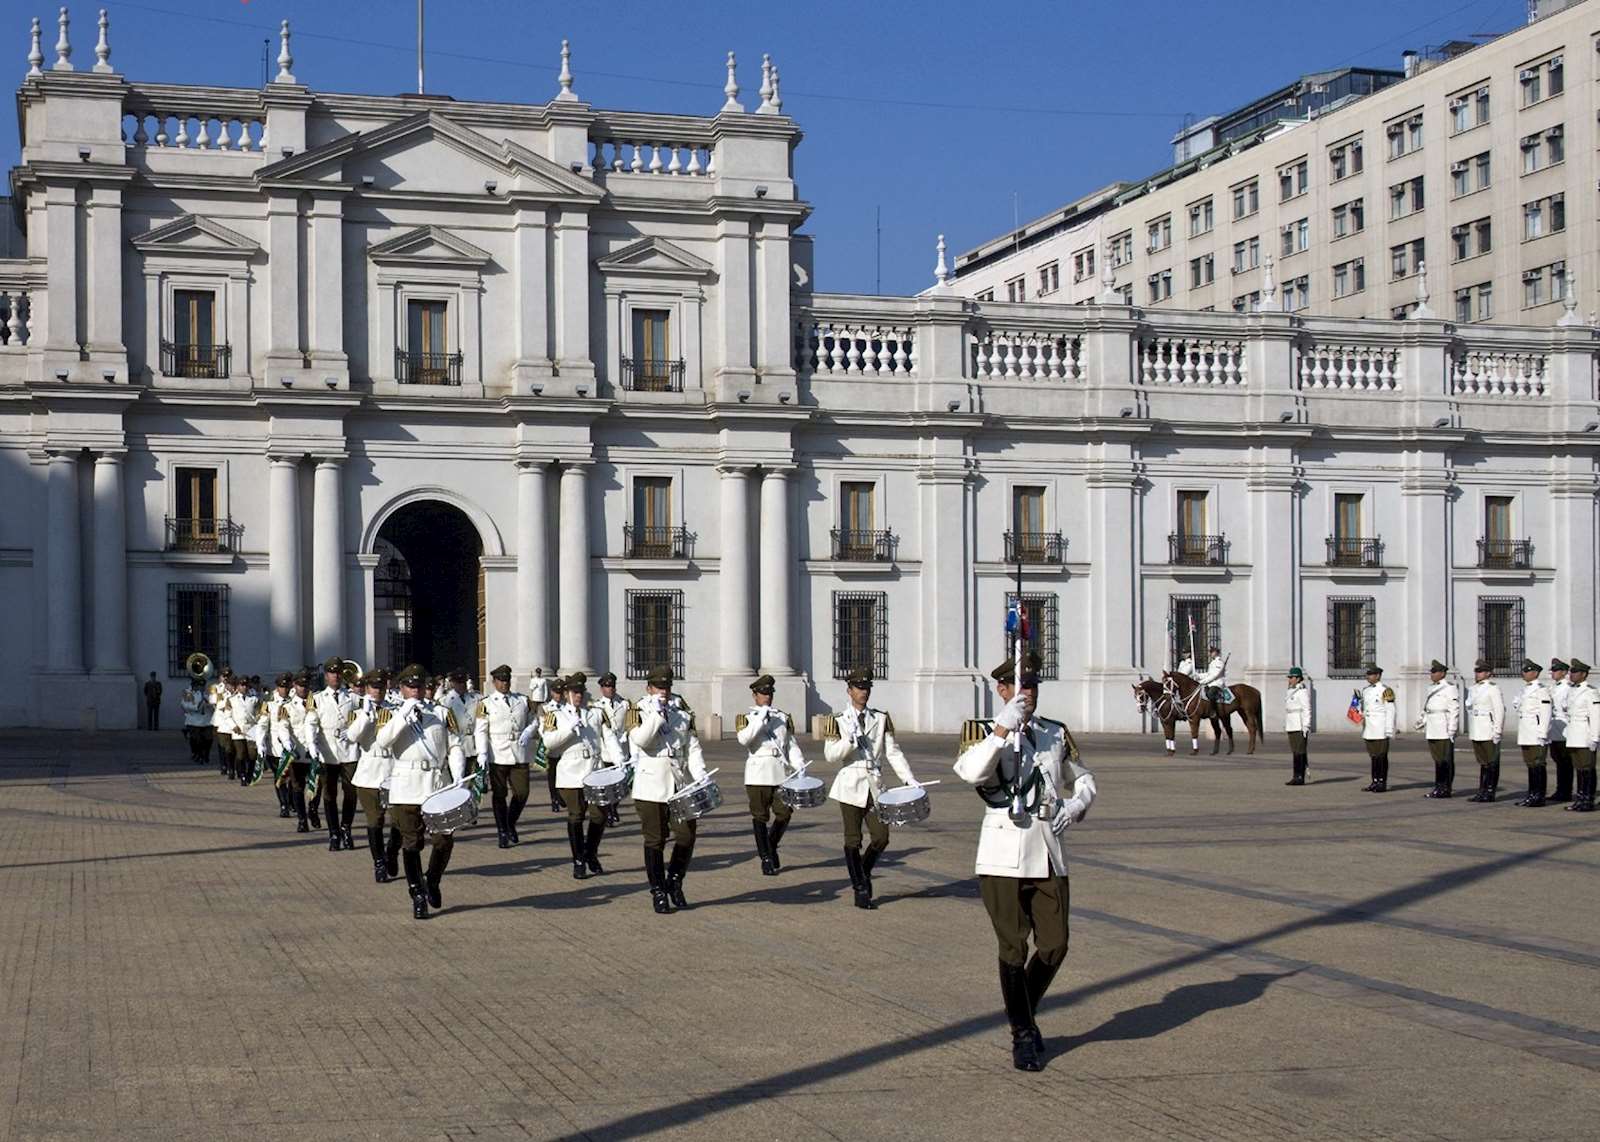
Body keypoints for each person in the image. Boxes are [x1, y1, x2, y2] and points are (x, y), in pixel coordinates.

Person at [954, 652, 1096, 1072]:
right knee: (1013, 947)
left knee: (1055, 944)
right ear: (1002, 690)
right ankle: (1023, 1034)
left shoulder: (1055, 732)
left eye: (1032, 685)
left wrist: (1078, 804)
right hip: (1002, 853)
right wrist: (1001, 728)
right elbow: (973, 773)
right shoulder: (980, 731)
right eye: (1018, 686)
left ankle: (1023, 1013)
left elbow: (1084, 778)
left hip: (1049, 846)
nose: (1027, 692)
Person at [823, 668, 921, 910]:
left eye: (866, 688)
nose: (863, 692)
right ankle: (860, 889)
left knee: (881, 837)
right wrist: (850, 740)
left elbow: (893, 752)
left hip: (875, 785)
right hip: (850, 783)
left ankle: (863, 872)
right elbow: (830, 755)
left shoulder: (881, 718)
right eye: (858, 688)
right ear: (849, 691)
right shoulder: (837, 720)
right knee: (853, 839)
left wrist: (909, 779)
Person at [374, 665, 466, 919]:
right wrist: (403, 715)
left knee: (444, 839)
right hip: (406, 785)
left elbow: (455, 745)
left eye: (420, 686)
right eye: (410, 687)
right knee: (412, 843)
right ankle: (416, 893)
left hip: (437, 783)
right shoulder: (390, 713)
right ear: (401, 688)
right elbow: (382, 741)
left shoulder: (441, 712)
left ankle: (433, 880)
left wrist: (457, 772)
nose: (416, 691)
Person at [627, 666, 708, 914]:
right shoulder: (637, 710)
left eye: (667, 687)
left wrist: (700, 774)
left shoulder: (682, 714)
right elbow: (641, 740)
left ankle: (674, 880)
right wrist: (657, 715)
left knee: (686, 835)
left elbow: (691, 747)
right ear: (649, 688)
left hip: (678, 783)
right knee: (655, 839)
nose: (663, 692)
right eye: (659, 687)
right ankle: (658, 891)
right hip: (650, 784)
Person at [541, 672, 625, 879]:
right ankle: (578, 860)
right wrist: (569, 730)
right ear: (567, 693)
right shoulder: (556, 715)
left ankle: (590, 852)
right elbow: (548, 743)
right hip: (570, 772)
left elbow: (609, 737)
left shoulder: (595, 713)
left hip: (594, 771)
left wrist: (619, 759)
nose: (578, 696)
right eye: (574, 692)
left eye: (581, 692)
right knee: (576, 816)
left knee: (600, 815)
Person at [737, 674, 807, 875]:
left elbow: (790, 744)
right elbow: (745, 740)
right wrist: (760, 718)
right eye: (762, 693)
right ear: (754, 695)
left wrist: (799, 765)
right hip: (758, 773)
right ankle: (766, 858)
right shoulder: (746, 718)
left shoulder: (782, 717)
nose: (767, 697)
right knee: (760, 816)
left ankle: (770, 844)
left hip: (780, 772)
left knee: (785, 813)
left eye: (769, 693)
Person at [475, 664, 536, 847]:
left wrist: (529, 730)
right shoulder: (485, 703)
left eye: (507, 680)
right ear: (494, 682)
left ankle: (510, 823)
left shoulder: (522, 700)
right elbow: (481, 730)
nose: (504, 684)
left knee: (522, 792)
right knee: (499, 793)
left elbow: (534, 719)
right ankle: (502, 830)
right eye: (501, 680)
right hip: (498, 752)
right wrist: (482, 753)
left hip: (518, 750)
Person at [347, 672, 400, 882]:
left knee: (398, 820)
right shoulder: (358, 713)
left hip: (393, 771)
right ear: (367, 689)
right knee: (375, 820)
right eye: (373, 687)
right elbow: (353, 737)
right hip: (369, 772)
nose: (377, 691)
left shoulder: (396, 710)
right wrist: (366, 715)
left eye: (380, 687)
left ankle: (392, 851)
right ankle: (379, 863)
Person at [310, 657, 360, 850]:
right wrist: (312, 743)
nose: (336, 676)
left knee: (351, 793)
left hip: (349, 751)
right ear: (326, 675)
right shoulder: (316, 698)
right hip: (327, 751)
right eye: (332, 672)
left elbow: (363, 718)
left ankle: (346, 828)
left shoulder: (353, 698)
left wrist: (354, 731)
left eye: (339, 672)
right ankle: (334, 834)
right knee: (329, 795)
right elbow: (311, 722)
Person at [283, 671, 321, 832]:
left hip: (316, 751)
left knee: (318, 786)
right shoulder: (286, 706)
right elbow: (283, 727)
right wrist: (287, 744)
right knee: (298, 787)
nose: (303, 688)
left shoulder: (318, 702)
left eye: (306, 685)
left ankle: (312, 809)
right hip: (298, 751)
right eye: (300, 685)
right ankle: (302, 819)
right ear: (294, 686)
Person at [1417, 659, 1460, 799]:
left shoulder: (1449, 688)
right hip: (1433, 726)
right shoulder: (1431, 688)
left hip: (1443, 726)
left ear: (1442, 673)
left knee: (1445, 759)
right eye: (1431, 671)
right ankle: (1438, 786)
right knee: (1437, 759)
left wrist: (1452, 728)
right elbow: (1429, 708)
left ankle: (1445, 787)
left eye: (1435, 672)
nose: (1432, 674)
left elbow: (1454, 709)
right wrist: (1423, 721)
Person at [1513, 658, 1553, 807]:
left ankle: (1538, 795)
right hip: (1526, 731)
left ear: (1535, 673)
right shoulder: (1525, 689)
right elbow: (1518, 705)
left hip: (1536, 732)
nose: (1524, 673)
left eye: (1527, 671)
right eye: (1524, 671)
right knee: (1530, 764)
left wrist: (1543, 733)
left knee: (1538, 764)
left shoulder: (1541, 690)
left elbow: (1546, 712)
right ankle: (1531, 794)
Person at [593, 672, 631, 826]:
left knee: (622, 784)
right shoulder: (596, 706)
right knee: (608, 784)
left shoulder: (625, 704)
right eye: (607, 687)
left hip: (622, 747)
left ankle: (614, 807)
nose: (610, 689)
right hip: (606, 751)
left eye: (612, 686)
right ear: (602, 689)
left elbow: (631, 722)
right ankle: (609, 811)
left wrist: (626, 734)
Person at [1466, 659, 1505, 803]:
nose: (1477, 674)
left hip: (1488, 728)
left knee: (1491, 761)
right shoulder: (1474, 688)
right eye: (1476, 671)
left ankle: (1490, 791)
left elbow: (1499, 710)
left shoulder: (1493, 688)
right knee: (1483, 762)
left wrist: (1497, 731)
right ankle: (1482, 790)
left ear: (1488, 673)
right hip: (1477, 728)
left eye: (1480, 671)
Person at [1564, 659, 1596, 813]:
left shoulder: (1590, 692)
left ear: (1583, 674)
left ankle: (1588, 800)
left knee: (1587, 768)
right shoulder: (1573, 690)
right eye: (1571, 672)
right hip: (1573, 734)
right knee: (1579, 768)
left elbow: (1596, 716)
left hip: (1585, 734)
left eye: (1575, 672)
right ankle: (1580, 798)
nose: (1572, 674)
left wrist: (1595, 738)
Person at [1358, 664, 1396, 793]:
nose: (1368, 677)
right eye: (1367, 674)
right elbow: (1364, 708)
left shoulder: (1386, 690)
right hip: (1369, 727)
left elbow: (1390, 711)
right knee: (1373, 756)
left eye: (1371, 674)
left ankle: (1382, 782)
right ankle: (1374, 781)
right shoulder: (1365, 690)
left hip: (1380, 727)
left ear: (1378, 676)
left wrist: (1389, 729)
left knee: (1381, 756)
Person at [438, 670, 480, 784]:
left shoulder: (476, 698)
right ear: (452, 683)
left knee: (472, 782)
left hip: (473, 745)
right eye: (458, 682)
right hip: (455, 745)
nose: (461, 685)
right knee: (456, 782)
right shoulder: (444, 702)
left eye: (463, 682)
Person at [265, 673, 295, 819]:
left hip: (293, 746)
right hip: (275, 748)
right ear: (277, 687)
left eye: (287, 686)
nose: (285, 690)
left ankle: (291, 801)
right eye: (282, 687)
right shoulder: (269, 702)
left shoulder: (294, 701)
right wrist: (260, 743)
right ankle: (283, 804)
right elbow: (263, 724)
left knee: (292, 777)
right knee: (280, 777)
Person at [544, 676, 570, 813]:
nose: (559, 695)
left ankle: (562, 796)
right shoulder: (546, 708)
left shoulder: (568, 708)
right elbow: (543, 728)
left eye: (561, 692)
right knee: (552, 775)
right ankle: (554, 798)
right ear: (552, 692)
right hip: (553, 747)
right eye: (556, 692)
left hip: (566, 747)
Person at [1548, 658, 1573, 803]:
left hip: (1564, 727)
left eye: (1556, 670)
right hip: (1554, 728)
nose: (1553, 673)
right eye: (1552, 670)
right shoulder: (1553, 687)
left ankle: (1566, 791)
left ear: (1564, 672)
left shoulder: (1567, 687)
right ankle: (1560, 790)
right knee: (1558, 760)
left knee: (1566, 762)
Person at [1283, 667, 1312, 785]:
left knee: (1300, 751)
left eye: (1292, 677)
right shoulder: (1290, 691)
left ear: (1298, 678)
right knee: (1295, 751)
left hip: (1299, 724)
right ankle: (1295, 775)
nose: (1289, 679)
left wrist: (1306, 725)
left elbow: (1306, 709)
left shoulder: (1302, 692)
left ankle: (1300, 776)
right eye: (1289, 677)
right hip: (1291, 723)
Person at [180, 675, 213, 765]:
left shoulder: (208, 693)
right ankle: (198, 754)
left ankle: (206, 754)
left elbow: (214, 704)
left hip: (207, 721)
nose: (201, 687)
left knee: (208, 739)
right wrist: (196, 707)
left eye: (203, 685)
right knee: (196, 740)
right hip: (194, 721)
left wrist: (209, 703)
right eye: (199, 685)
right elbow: (184, 705)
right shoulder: (188, 693)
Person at [212, 669, 237, 779]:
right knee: (222, 746)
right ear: (220, 677)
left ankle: (232, 766)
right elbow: (215, 702)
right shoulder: (217, 688)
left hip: (233, 720)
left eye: (228, 676)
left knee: (233, 746)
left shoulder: (235, 688)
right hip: (221, 720)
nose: (226, 678)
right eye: (224, 676)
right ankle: (223, 765)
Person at [1195, 645, 1227, 718]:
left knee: (1210, 694)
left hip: (1217, 683)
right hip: (1210, 683)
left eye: (1212, 652)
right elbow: (1209, 674)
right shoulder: (1212, 662)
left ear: (1216, 653)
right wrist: (1198, 675)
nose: (1210, 653)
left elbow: (1214, 675)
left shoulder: (1219, 662)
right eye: (1210, 652)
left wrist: (1203, 681)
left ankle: (1213, 711)